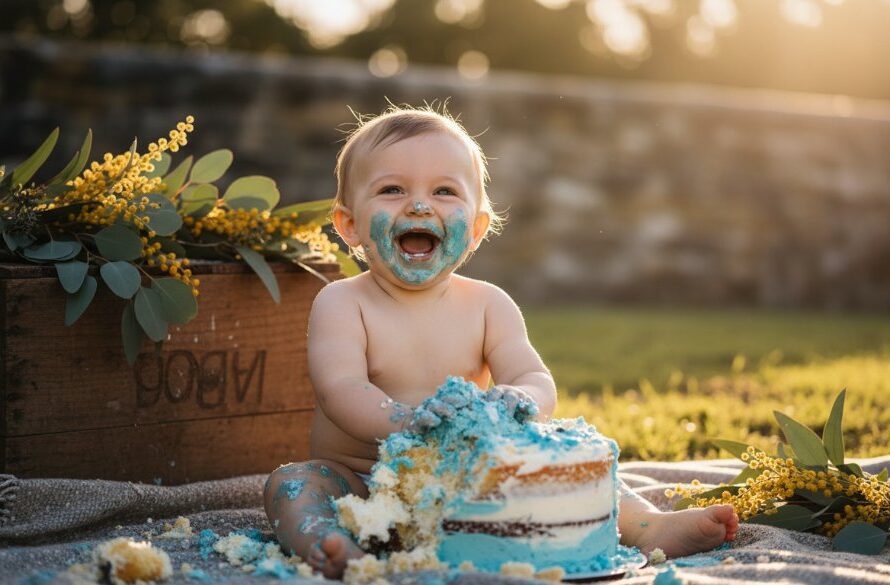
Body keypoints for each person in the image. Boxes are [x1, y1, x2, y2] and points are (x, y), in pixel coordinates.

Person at [263, 105, 739, 578]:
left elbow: (533, 376)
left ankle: (650, 527)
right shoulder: (343, 302)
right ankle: (330, 544)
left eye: (444, 191)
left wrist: (520, 398)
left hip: (474, 482)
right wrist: (407, 422)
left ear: (474, 229)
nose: (420, 205)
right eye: (392, 190)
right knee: (292, 483)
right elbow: (339, 387)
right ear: (348, 225)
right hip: (363, 483)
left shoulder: (488, 305)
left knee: (574, 467)